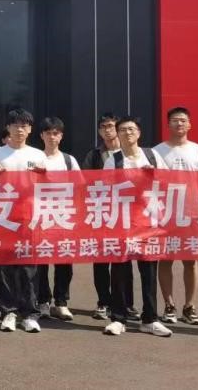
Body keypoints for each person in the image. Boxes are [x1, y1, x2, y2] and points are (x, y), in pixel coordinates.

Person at [102, 115, 172, 337]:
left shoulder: (152, 155)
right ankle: (118, 318)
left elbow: (168, 182)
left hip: (149, 222)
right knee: (120, 272)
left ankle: (150, 319)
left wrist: (154, 175)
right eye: (122, 130)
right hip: (122, 222)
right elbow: (105, 187)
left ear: (139, 133)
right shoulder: (113, 160)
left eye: (131, 129)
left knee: (148, 272)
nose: (127, 133)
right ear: (117, 134)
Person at [0, 108, 47, 333]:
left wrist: (44, 174)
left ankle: (30, 313)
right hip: (4, 218)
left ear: (30, 129)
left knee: (29, 268)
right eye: (15, 125)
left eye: (24, 125)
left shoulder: (38, 155)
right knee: (4, 267)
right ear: (8, 128)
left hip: (30, 218)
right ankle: (9, 312)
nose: (20, 129)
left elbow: (49, 187)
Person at [152, 106, 198, 326]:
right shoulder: (157, 151)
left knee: (190, 260)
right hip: (166, 213)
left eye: (183, 120)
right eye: (175, 120)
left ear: (189, 124)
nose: (179, 123)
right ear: (168, 124)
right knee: (165, 259)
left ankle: (189, 306)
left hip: (192, 212)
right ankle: (169, 305)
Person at [34, 116, 80, 322]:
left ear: (61, 136)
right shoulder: (34, 158)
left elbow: (80, 186)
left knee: (64, 260)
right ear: (41, 135)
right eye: (48, 133)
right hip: (40, 216)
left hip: (64, 216)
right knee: (41, 261)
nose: (52, 137)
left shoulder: (69, 160)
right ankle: (43, 301)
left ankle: (61, 302)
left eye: (56, 133)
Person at [83, 112, 124, 321]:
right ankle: (103, 302)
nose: (108, 130)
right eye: (104, 127)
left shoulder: (130, 154)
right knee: (100, 261)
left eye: (111, 126)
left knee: (122, 262)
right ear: (99, 131)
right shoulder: (94, 155)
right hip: (100, 214)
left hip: (125, 215)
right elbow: (85, 183)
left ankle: (124, 304)